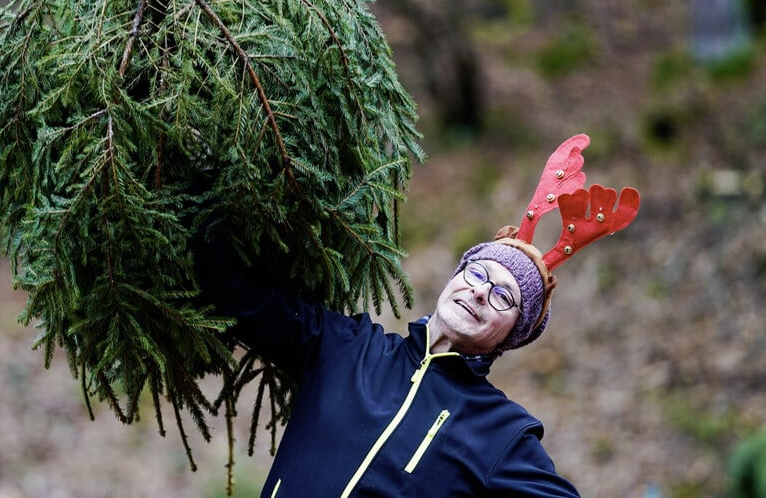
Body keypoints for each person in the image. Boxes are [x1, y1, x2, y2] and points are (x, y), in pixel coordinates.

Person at [194, 134, 640, 497]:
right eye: (478, 272)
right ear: (456, 276)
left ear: (512, 336)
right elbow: (234, 291)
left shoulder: (502, 434)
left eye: (505, 296)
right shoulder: (347, 348)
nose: (481, 291)